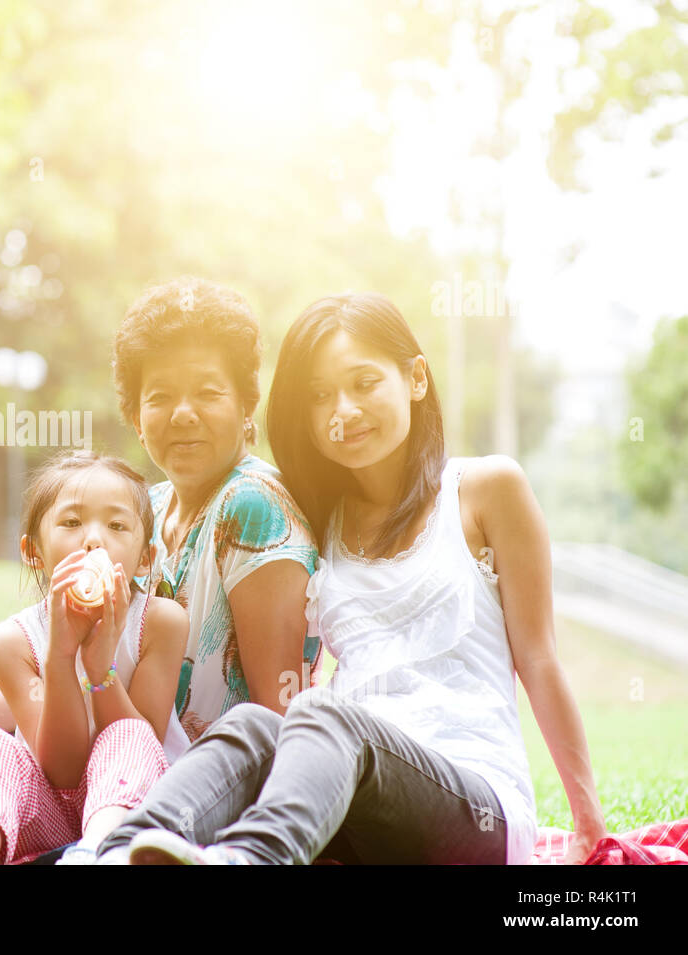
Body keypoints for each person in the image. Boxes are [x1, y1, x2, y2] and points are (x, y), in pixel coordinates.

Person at [99, 291, 608, 865]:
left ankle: (251, 860)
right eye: (320, 396)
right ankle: (113, 853)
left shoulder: (487, 490)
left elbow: (539, 660)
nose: (342, 411)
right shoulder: (320, 519)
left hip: (474, 808)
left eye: (363, 384)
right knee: (256, 725)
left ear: (416, 378)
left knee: (322, 715)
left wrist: (589, 824)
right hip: (354, 798)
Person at [0, 277, 321, 864]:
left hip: (191, 786)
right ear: (136, 416)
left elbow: (276, 718)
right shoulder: (150, 508)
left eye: (209, 393)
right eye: (161, 396)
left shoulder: (252, 506)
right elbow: (45, 671)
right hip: (88, 760)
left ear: (247, 407)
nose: (184, 414)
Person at [0, 451, 190, 864]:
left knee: (127, 734)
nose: (93, 539)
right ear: (32, 551)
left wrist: (100, 670)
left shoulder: (160, 622)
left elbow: (144, 745)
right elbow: (62, 771)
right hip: (52, 810)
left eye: (116, 525)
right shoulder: (12, 642)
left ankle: (95, 854)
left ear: (146, 557)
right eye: (72, 523)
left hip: (138, 809)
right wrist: (59, 658)